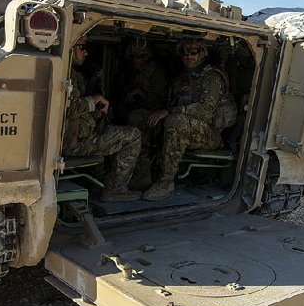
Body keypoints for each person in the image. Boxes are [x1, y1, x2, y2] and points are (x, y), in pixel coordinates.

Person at [142, 39, 227, 201]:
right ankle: (142, 175)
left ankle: (166, 183)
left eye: (193, 52)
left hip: (210, 134)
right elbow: (168, 103)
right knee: (142, 117)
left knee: (175, 122)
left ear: (203, 53)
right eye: (184, 52)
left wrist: (169, 112)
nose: (188, 56)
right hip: (185, 127)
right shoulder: (181, 79)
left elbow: (206, 110)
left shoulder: (212, 77)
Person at [62, 38, 142, 202]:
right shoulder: (64, 75)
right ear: (69, 47)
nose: (85, 52)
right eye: (81, 47)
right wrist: (95, 99)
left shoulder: (69, 72)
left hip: (77, 136)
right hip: (73, 144)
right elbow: (68, 108)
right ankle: (116, 189)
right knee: (133, 135)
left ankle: (98, 181)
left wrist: (96, 111)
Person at [122, 40, 168, 190]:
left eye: (141, 56)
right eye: (133, 56)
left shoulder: (157, 74)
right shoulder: (131, 72)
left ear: (148, 57)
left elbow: (160, 102)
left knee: (136, 119)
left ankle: (142, 176)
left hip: (155, 117)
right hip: (136, 112)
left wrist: (142, 94)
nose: (136, 59)